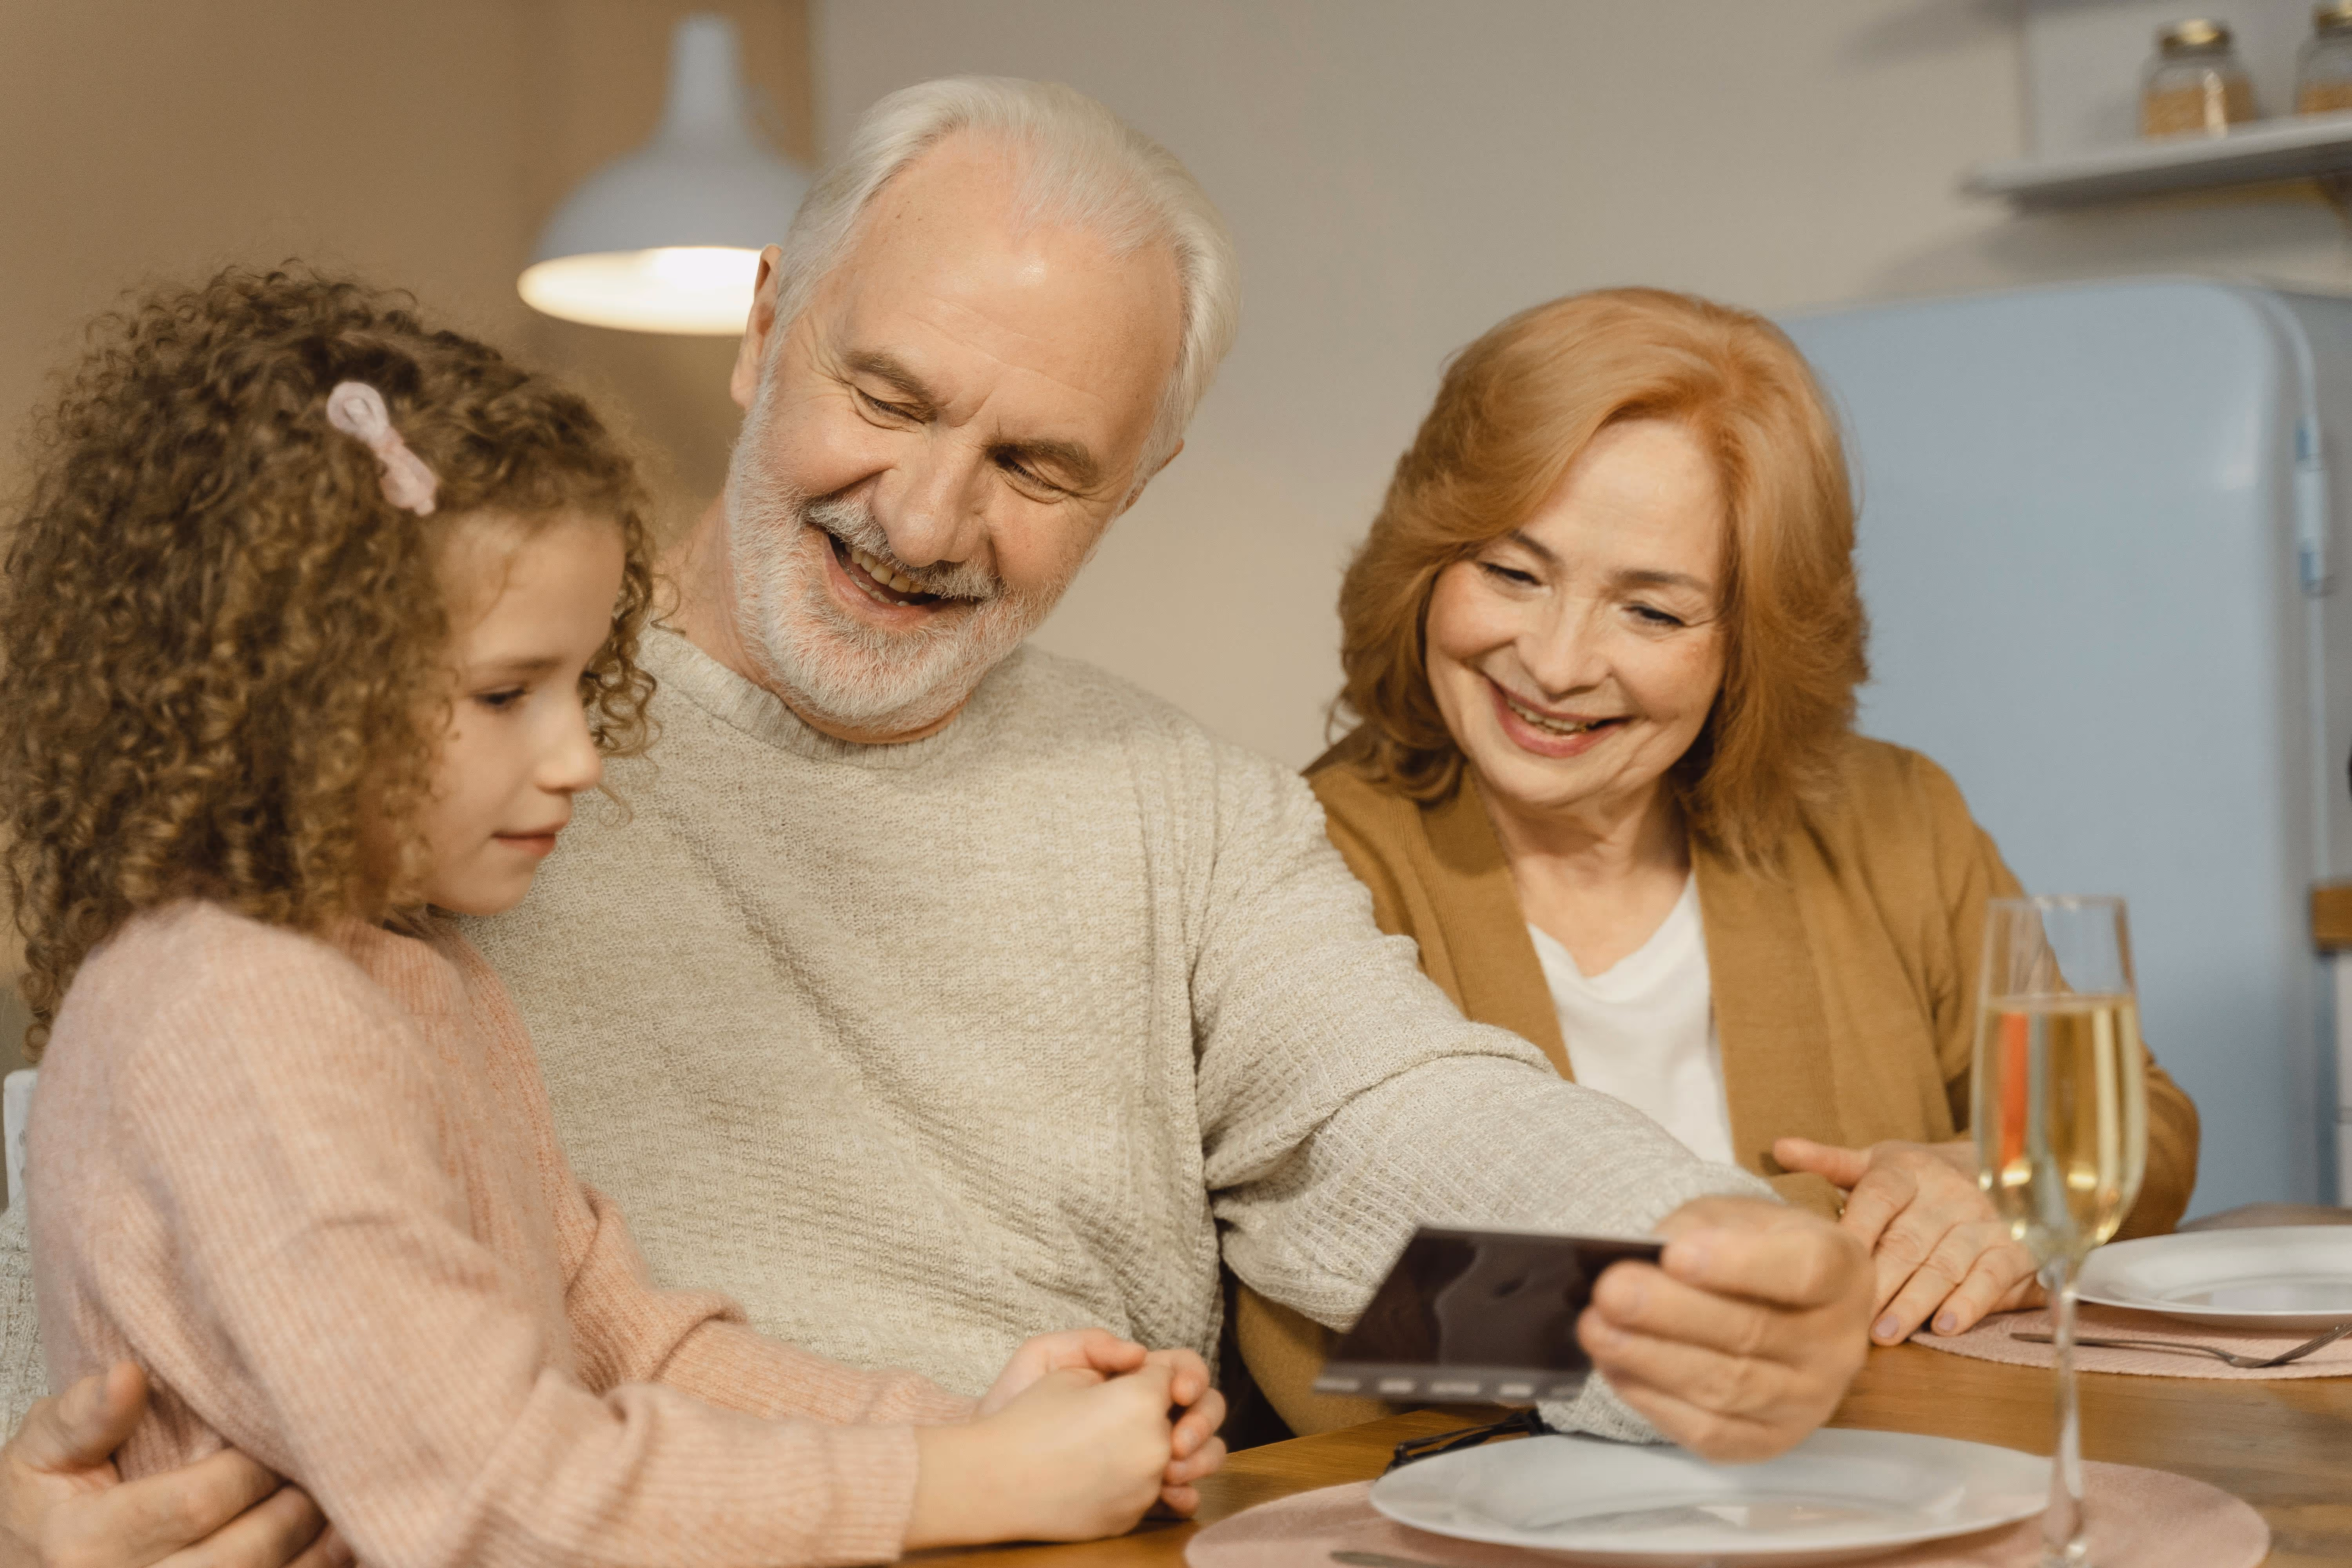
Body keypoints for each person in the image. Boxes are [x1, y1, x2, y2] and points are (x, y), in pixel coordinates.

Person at [0, 82, 1875, 1568]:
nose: (923, 512)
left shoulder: (1176, 809)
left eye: (1040, 462)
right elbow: (115, 1214)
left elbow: (1379, 1155)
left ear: (1143, 478)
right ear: (764, 329)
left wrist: (1684, 1269)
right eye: (884, 397)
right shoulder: (400, 772)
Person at [6, 269, 1225, 1566]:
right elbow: (499, 1496)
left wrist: (966, 1428)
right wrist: (966, 1483)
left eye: (583, 681)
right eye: (504, 694)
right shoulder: (235, 1014)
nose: (580, 754)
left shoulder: (411, 976)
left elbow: (619, 1336)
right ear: (287, 691)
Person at [1234, 287, 2202, 1434]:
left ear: (1754, 643)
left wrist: (1994, 1201)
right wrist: (1822, 1241)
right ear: (1426, 559)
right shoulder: (1298, 864)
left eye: (1650, 613)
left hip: (1893, 1489)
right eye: (1511, 573)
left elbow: (2133, 1123)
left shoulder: (1896, 816)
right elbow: (1326, 1330)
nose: (1553, 660)